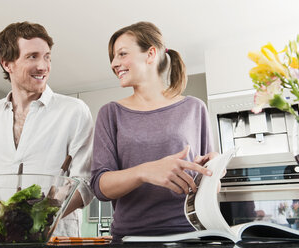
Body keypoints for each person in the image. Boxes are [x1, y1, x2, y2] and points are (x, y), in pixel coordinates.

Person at [0, 21, 94, 240]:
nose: (43, 66)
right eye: (32, 56)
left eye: (47, 56)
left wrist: (29, 220)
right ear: (7, 63)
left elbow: (84, 183)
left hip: (56, 238)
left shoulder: (74, 111)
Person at [90, 21, 218, 241]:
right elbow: (99, 187)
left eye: (122, 54)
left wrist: (214, 171)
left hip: (191, 235)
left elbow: (210, 189)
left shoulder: (194, 108)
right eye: (113, 57)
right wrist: (145, 171)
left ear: (150, 53)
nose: (114, 63)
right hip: (131, 238)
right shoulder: (110, 113)